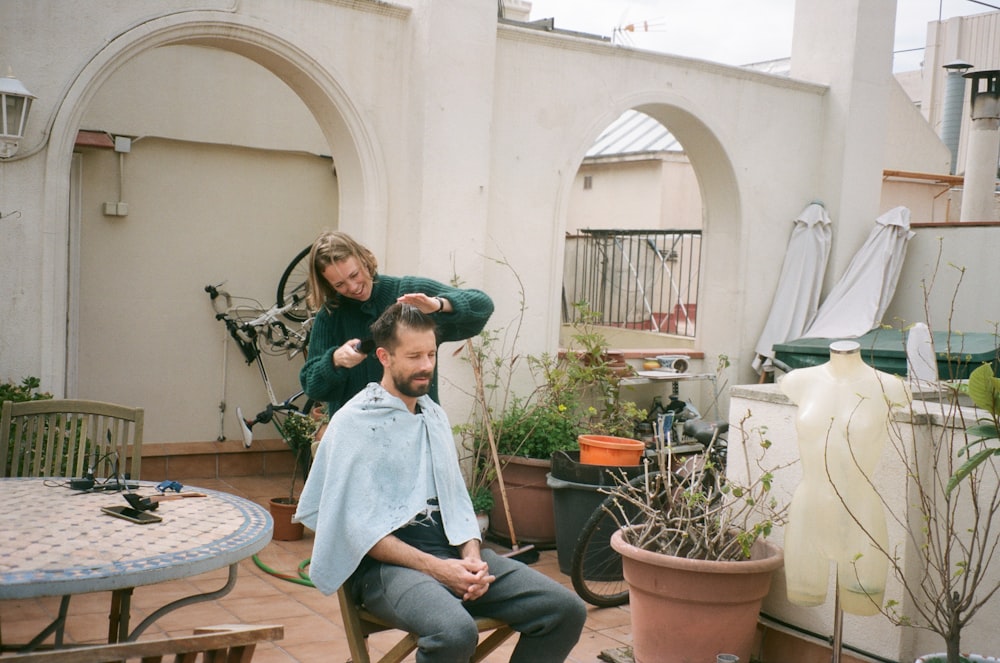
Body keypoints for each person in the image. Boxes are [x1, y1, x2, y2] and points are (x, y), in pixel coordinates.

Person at [295, 303, 587, 662]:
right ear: (384, 356)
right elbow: (360, 532)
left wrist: (472, 560)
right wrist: (440, 570)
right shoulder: (354, 424)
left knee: (565, 610)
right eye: (414, 355)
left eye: (431, 354)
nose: (426, 366)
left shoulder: (432, 414)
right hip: (387, 569)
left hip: (450, 552)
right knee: (454, 632)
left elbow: (456, 502)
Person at [779, 340, 911, 616]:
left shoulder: (890, 387)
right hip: (808, 514)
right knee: (805, 596)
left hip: (861, 518)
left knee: (862, 605)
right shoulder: (798, 381)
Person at [299, 230, 494, 415]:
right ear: (327, 285)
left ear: (364, 261)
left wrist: (438, 305)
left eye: (354, 275)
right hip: (359, 438)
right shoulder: (331, 316)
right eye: (339, 285)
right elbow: (312, 386)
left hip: (415, 428)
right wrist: (335, 360)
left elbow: (482, 306)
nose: (353, 287)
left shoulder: (406, 292)